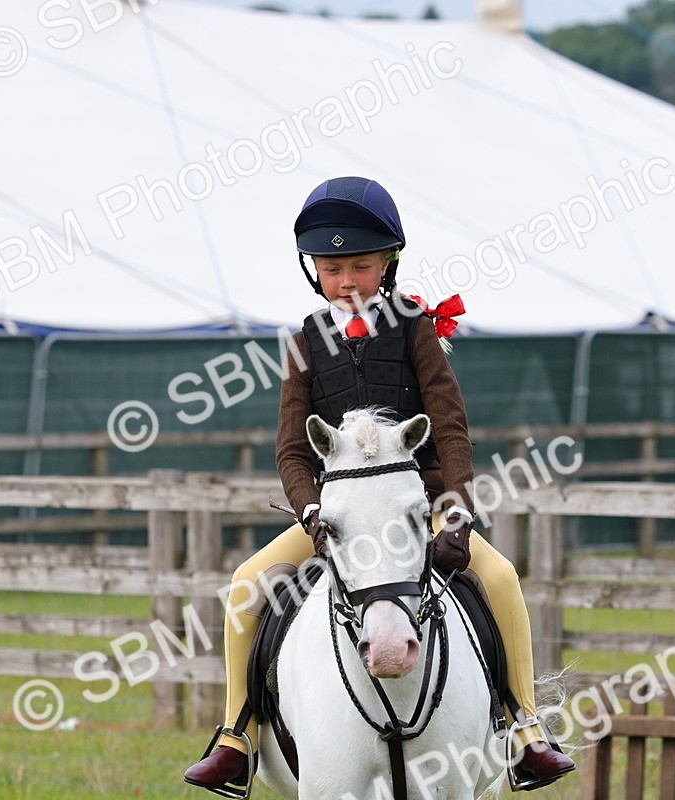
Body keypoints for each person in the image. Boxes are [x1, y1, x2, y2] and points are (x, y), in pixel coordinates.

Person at [183, 176, 575, 794]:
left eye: (360, 267)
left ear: (388, 262)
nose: (347, 281)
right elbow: (291, 450)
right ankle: (237, 734)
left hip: (419, 506)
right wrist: (310, 511)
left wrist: (457, 513)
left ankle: (524, 727)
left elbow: (451, 430)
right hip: (337, 514)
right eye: (332, 269)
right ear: (314, 271)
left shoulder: (415, 330)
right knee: (243, 585)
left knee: (501, 579)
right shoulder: (302, 344)